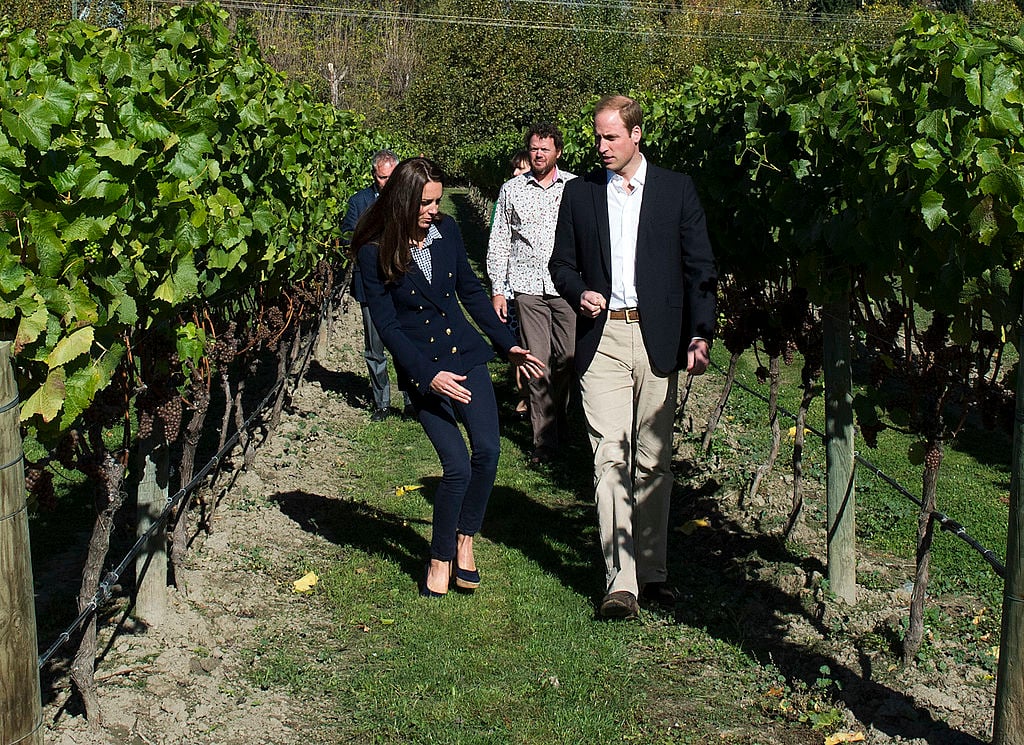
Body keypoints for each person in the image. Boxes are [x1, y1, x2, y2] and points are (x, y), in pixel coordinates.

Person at [549, 95, 718, 619]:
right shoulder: (579, 195)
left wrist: (700, 333)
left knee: (652, 460)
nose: (601, 147)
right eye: (598, 138)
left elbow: (700, 267)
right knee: (608, 457)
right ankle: (619, 583)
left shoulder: (674, 190)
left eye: (611, 137)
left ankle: (653, 570)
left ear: (636, 135)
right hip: (603, 340)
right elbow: (561, 264)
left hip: (657, 339)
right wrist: (580, 293)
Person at [354, 157, 545, 597]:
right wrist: (426, 377)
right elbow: (388, 326)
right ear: (402, 200)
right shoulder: (375, 250)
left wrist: (507, 344)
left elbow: (471, 293)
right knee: (456, 467)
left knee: (488, 453)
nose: (433, 210)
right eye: (425, 202)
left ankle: (465, 540)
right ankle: (439, 556)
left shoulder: (448, 232)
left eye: (438, 201)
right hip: (425, 371)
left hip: (466, 356)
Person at [487, 124, 577, 465]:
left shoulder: (574, 188)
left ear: (558, 152)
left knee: (567, 358)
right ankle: (545, 442)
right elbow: (499, 241)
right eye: (534, 149)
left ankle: (560, 419)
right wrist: (499, 288)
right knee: (536, 363)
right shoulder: (512, 190)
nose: (538, 155)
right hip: (526, 287)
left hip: (565, 287)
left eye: (545, 149)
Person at [341, 149, 413, 422]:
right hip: (370, 285)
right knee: (375, 348)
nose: (386, 183)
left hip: (400, 281)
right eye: (382, 178)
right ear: (374, 175)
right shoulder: (359, 202)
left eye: (391, 178)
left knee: (404, 343)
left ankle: (410, 399)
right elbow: (347, 233)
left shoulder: (407, 201)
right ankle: (381, 402)